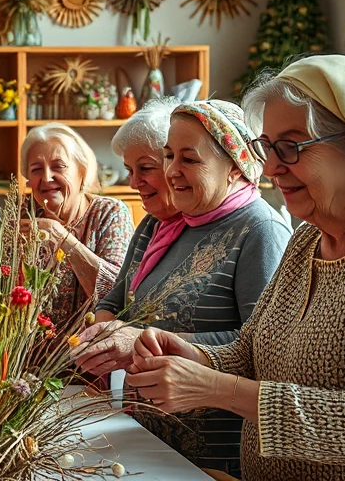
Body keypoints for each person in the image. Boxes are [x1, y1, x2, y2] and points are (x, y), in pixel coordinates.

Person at [125, 55, 345, 481]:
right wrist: (194, 355)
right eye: (266, 147)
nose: (269, 168)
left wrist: (215, 388)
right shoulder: (308, 238)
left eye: (291, 147)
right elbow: (252, 352)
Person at [75, 99, 290, 477]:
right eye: (169, 156)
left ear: (234, 166)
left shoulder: (260, 231)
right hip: (148, 435)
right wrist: (104, 334)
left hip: (215, 454)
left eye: (188, 159)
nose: (172, 170)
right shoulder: (163, 225)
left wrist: (139, 340)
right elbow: (116, 297)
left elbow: (265, 349)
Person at [19, 123, 133, 327]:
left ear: (82, 171)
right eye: (36, 169)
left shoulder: (110, 213)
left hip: (91, 344)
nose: (46, 177)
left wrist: (60, 236)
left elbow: (117, 298)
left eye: (58, 166)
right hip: (28, 345)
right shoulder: (22, 215)